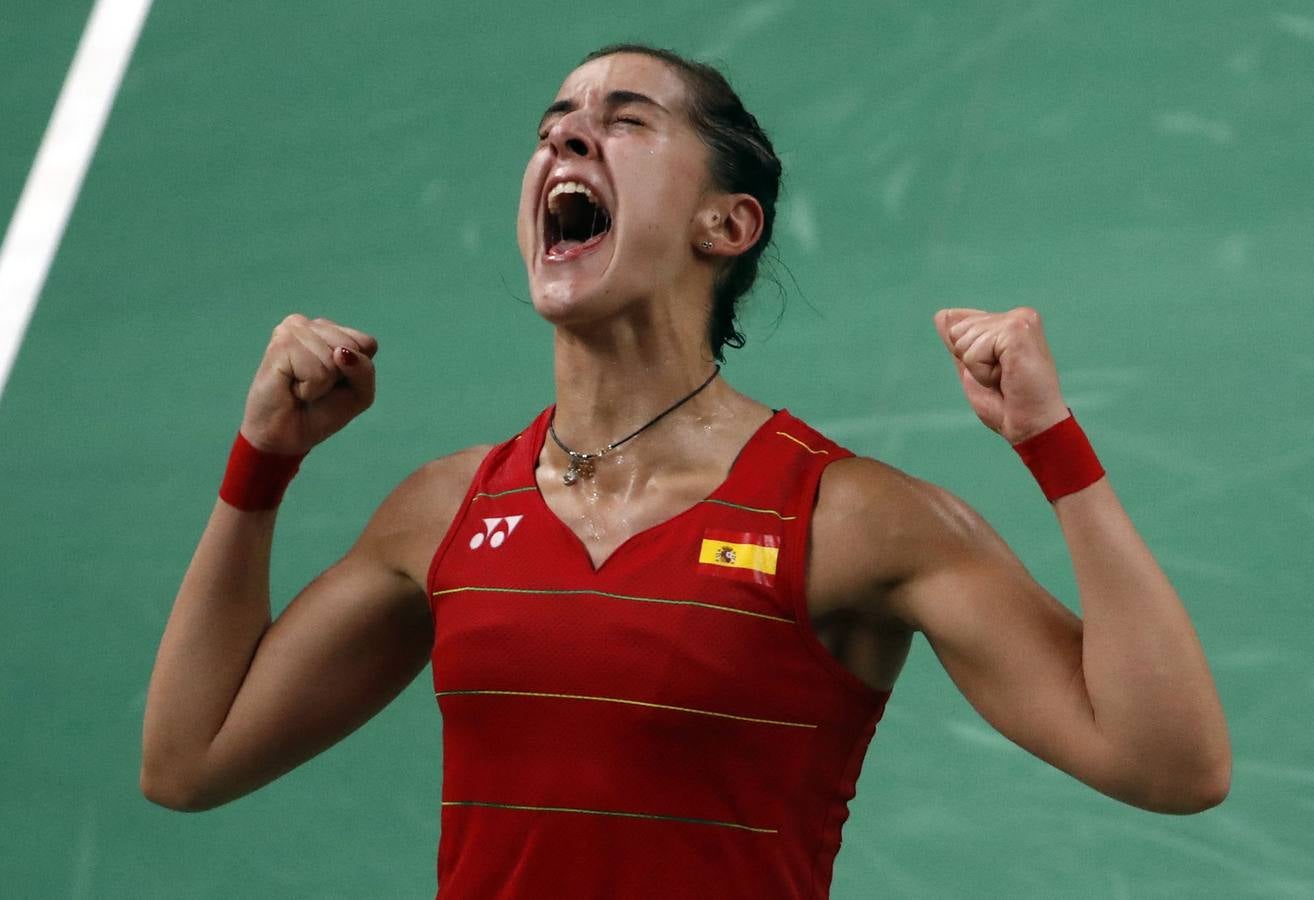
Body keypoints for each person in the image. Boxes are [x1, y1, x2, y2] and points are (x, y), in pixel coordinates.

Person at [141, 44, 1231, 898]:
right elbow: (191, 757)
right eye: (554, 129)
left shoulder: (846, 517)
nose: (570, 142)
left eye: (624, 123)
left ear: (728, 222)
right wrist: (262, 467)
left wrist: (1054, 444)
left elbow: (1170, 763)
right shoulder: (449, 509)